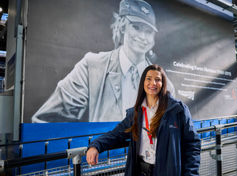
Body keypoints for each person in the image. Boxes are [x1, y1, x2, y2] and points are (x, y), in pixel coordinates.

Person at [32, 0, 175, 123]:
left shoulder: (165, 84)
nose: (142, 36)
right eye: (136, 27)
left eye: (148, 31)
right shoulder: (92, 66)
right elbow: (46, 120)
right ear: (123, 26)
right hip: (105, 153)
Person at [86, 65, 201, 176]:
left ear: (163, 84)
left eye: (157, 80)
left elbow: (192, 143)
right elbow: (116, 134)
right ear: (143, 83)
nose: (153, 83)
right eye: (149, 79)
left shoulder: (177, 110)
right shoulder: (136, 113)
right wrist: (96, 146)